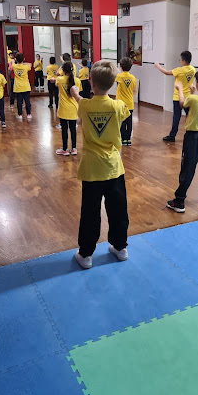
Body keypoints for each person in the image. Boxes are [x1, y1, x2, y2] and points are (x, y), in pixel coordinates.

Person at [70, 60, 130, 269]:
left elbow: (80, 100)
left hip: (92, 169)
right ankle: (120, 248)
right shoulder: (118, 106)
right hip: (113, 168)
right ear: (113, 84)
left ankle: (86, 254)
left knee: (90, 212)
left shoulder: (85, 106)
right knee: (118, 210)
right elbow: (124, 111)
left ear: (90, 82)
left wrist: (74, 92)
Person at [166, 69, 198, 213]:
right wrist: (193, 93)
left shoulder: (194, 99)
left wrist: (180, 89)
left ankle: (179, 201)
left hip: (193, 137)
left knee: (188, 168)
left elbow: (183, 104)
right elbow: (196, 108)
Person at [154, 51, 196, 142]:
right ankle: (192, 134)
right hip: (188, 97)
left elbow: (166, 72)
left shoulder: (179, 70)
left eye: (180, 60)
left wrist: (158, 66)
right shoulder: (193, 70)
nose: (179, 61)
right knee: (190, 116)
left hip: (178, 97)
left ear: (183, 61)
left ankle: (172, 136)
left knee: (176, 117)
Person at [53, 61, 82, 156]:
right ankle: (74, 148)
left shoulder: (59, 79)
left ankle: (65, 149)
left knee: (64, 129)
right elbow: (78, 92)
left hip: (63, 109)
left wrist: (60, 70)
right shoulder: (77, 81)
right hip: (74, 108)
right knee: (73, 129)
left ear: (63, 70)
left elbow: (56, 76)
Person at [116, 57, 137, 146]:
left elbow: (113, 79)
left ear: (121, 66)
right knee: (129, 122)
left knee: (122, 122)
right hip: (130, 103)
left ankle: (123, 139)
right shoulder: (133, 77)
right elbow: (135, 91)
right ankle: (128, 139)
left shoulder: (119, 76)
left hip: (121, 103)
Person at [12, 52, 32, 120]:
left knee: (19, 102)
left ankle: (20, 115)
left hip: (18, 87)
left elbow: (12, 62)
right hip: (26, 86)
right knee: (27, 101)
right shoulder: (26, 67)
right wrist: (23, 62)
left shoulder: (14, 66)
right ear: (23, 59)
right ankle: (28, 114)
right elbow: (30, 64)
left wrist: (15, 60)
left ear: (16, 59)